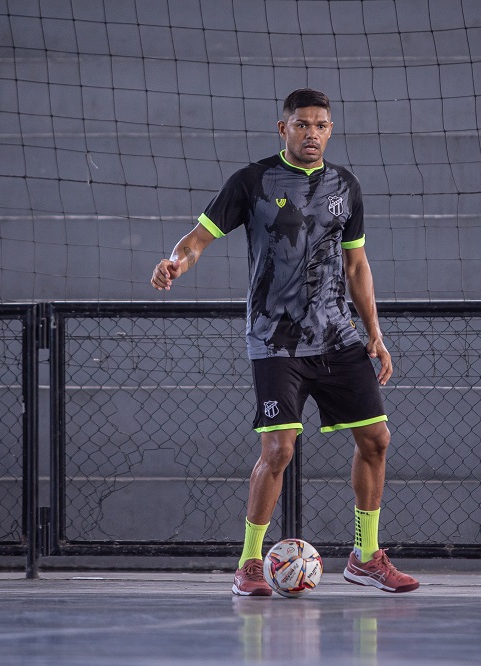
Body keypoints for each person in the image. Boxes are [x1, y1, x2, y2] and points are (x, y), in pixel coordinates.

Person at [151, 88, 419, 596]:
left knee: (376, 439)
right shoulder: (251, 182)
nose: (311, 133)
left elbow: (356, 264)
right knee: (277, 450)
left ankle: (365, 557)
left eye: (320, 125)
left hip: (338, 336)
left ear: (330, 130)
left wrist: (375, 335)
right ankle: (250, 562)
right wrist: (175, 263)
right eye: (301, 125)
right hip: (276, 340)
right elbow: (197, 240)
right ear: (283, 129)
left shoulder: (346, 186)